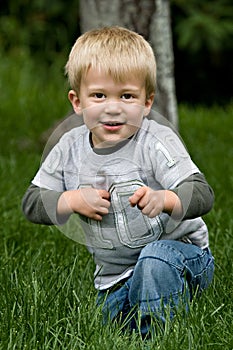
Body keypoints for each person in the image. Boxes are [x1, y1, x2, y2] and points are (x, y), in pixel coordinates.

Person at [22, 26, 214, 337]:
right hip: (114, 276)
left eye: (127, 96)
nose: (113, 107)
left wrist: (165, 198)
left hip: (181, 257)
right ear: (77, 102)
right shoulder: (69, 148)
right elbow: (31, 202)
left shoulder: (156, 140)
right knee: (110, 329)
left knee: (155, 258)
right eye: (99, 95)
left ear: (147, 102)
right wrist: (70, 200)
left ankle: (161, 336)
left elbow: (202, 193)